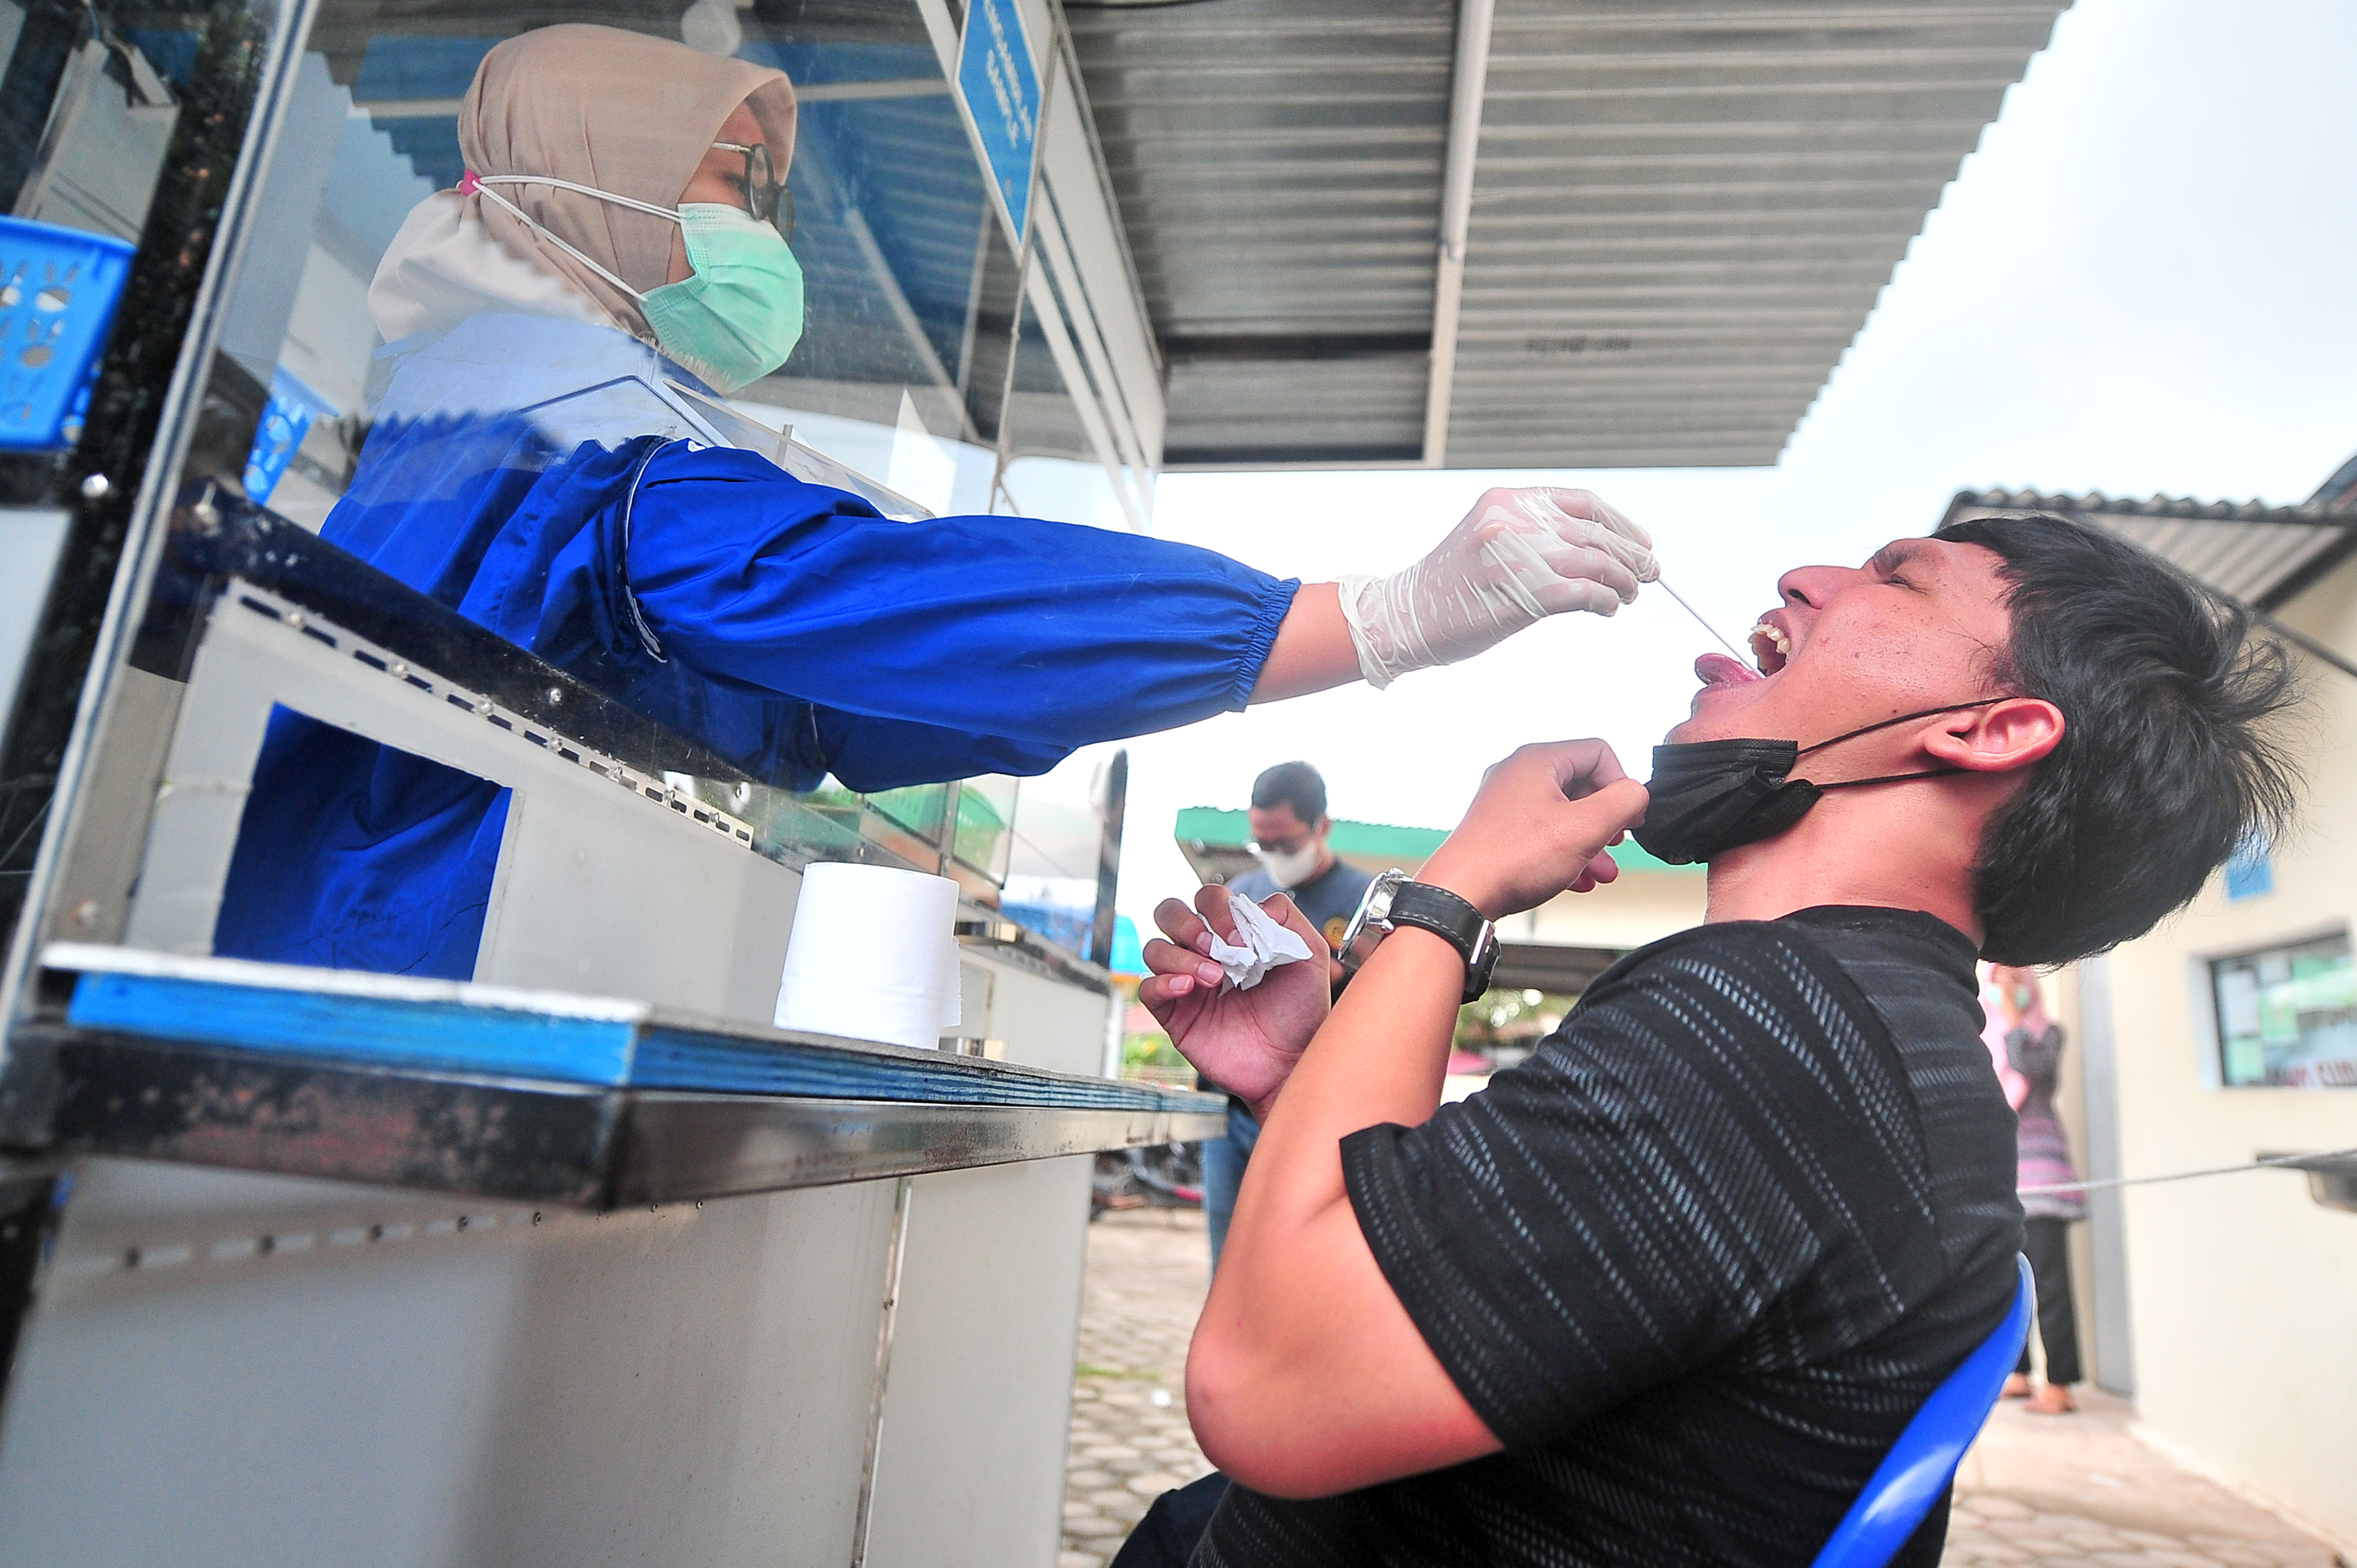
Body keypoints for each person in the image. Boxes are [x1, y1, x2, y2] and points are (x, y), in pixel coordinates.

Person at [208, 25, 1658, 979]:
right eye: (724, 185)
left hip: (368, 951)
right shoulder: (569, 440)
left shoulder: (485, 406)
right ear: (590, 191)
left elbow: (823, 703)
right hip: (410, 974)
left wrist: (1092, 675)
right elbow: (877, 608)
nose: (752, 231)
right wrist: (1372, 616)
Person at [1125, 514, 2298, 1566]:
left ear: (1991, 729)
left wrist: (1454, 887)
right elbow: (1474, 1296)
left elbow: (1268, 1385)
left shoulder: (1783, 1029)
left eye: (1898, 576)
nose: (1801, 573)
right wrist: (1302, 1083)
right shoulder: (1869, 1040)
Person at [1202, 762, 1374, 1270]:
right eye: (1263, 843)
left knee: (1303, 1267)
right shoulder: (1242, 893)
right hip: (1231, 1112)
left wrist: (1338, 974)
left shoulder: (1367, 902)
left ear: (1322, 827)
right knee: (1230, 1260)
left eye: (1286, 843)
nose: (1275, 856)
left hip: (1319, 1114)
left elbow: (1391, 998)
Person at [1986, 963, 2086, 1415]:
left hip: (2044, 1178)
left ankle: (2061, 1382)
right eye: (2001, 980)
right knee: (2008, 1283)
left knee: (2050, 1283)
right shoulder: (1983, 1036)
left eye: (2017, 979)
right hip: (2003, 1178)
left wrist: (2012, 1016)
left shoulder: (2048, 1035)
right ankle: (2019, 1373)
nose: (2010, 987)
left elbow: (2031, 1067)